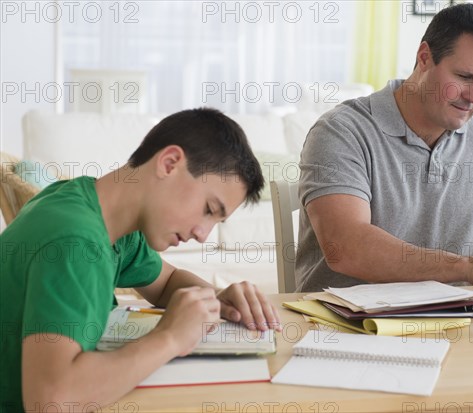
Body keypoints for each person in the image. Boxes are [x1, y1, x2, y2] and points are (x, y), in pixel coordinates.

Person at [0, 108, 280, 410]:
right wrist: (171, 338)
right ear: (169, 163)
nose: (203, 234)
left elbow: (166, 283)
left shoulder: (98, 210)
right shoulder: (77, 243)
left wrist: (216, 300)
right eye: (209, 209)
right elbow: (52, 400)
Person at [296, 3, 473, 295]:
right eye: (465, 78)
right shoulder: (341, 131)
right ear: (424, 57)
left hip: (453, 322)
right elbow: (345, 248)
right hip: (347, 327)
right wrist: (468, 267)